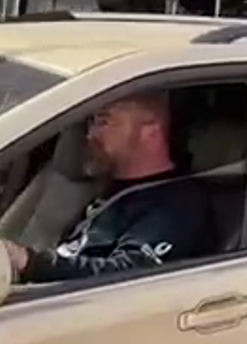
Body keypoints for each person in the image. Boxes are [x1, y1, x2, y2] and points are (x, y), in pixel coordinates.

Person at [3, 91, 214, 283]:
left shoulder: (176, 205)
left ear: (150, 131)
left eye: (104, 121)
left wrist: (28, 262)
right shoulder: (109, 188)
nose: (90, 134)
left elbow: (129, 276)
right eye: (92, 122)